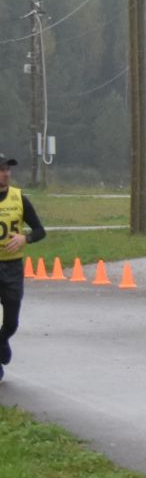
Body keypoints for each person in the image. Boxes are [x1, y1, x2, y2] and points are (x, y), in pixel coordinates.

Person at [0, 156, 49, 383]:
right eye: (1, 170)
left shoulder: (19, 198)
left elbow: (40, 230)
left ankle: (2, 340)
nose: (6, 174)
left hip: (12, 268)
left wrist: (25, 238)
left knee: (11, 322)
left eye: (7, 169)